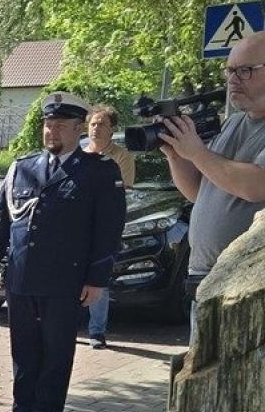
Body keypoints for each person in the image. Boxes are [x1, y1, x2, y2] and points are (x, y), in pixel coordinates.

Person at [0, 92, 126, 412]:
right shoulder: (23, 167)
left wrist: (97, 278)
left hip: (66, 277)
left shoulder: (99, 172)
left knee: (57, 348)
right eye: (48, 125)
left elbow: (108, 230)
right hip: (22, 274)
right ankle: (22, 410)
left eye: (60, 126)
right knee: (24, 347)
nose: (52, 132)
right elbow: (2, 217)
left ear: (79, 129)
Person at [157, 32, 265, 338]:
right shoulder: (233, 123)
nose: (233, 80)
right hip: (206, 280)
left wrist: (197, 152)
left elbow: (255, 185)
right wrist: (176, 155)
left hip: (249, 285)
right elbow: (198, 192)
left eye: (245, 70)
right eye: (229, 70)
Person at [82, 105, 136, 349]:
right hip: (78, 226)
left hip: (104, 227)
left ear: (111, 129)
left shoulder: (121, 156)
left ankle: (96, 332)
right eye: (93, 123)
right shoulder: (79, 153)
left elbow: (121, 191)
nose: (96, 128)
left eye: (101, 124)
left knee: (98, 278)